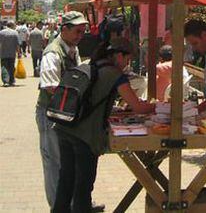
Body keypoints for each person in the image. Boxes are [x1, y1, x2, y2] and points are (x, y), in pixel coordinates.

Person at [53, 38, 155, 213]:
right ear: (118, 55)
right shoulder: (115, 74)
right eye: (127, 59)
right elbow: (138, 107)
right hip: (86, 135)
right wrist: (160, 106)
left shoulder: (90, 64)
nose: (127, 64)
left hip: (65, 127)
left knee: (66, 179)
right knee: (83, 186)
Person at [36, 11, 87, 210]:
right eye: (77, 31)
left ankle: (73, 203)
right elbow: (50, 86)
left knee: (69, 163)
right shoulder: (53, 52)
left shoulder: (73, 48)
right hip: (51, 114)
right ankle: (57, 206)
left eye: (83, 31)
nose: (80, 35)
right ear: (64, 29)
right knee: (54, 162)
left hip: (66, 115)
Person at [0, 21, 20, 86]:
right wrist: (19, 53)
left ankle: (6, 81)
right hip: (12, 53)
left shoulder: (1, 32)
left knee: (4, 67)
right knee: (11, 67)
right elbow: (17, 44)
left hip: (3, 53)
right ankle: (11, 81)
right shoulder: (15, 33)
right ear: (12, 25)